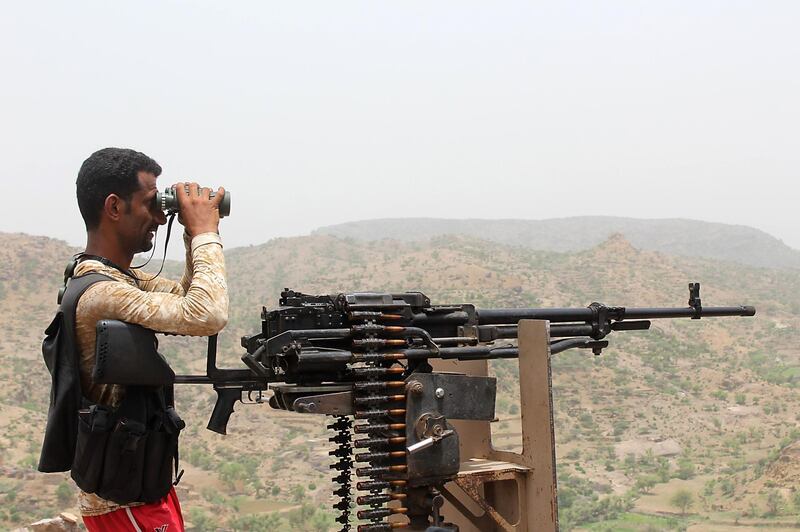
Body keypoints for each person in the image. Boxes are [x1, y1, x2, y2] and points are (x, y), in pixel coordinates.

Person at [63, 148, 227, 531]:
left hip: (138, 485)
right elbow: (207, 314)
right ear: (114, 207)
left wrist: (191, 234)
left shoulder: (116, 280)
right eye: (151, 204)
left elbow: (189, 296)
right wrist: (206, 233)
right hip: (122, 501)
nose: (158, 217)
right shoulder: (101, 293)